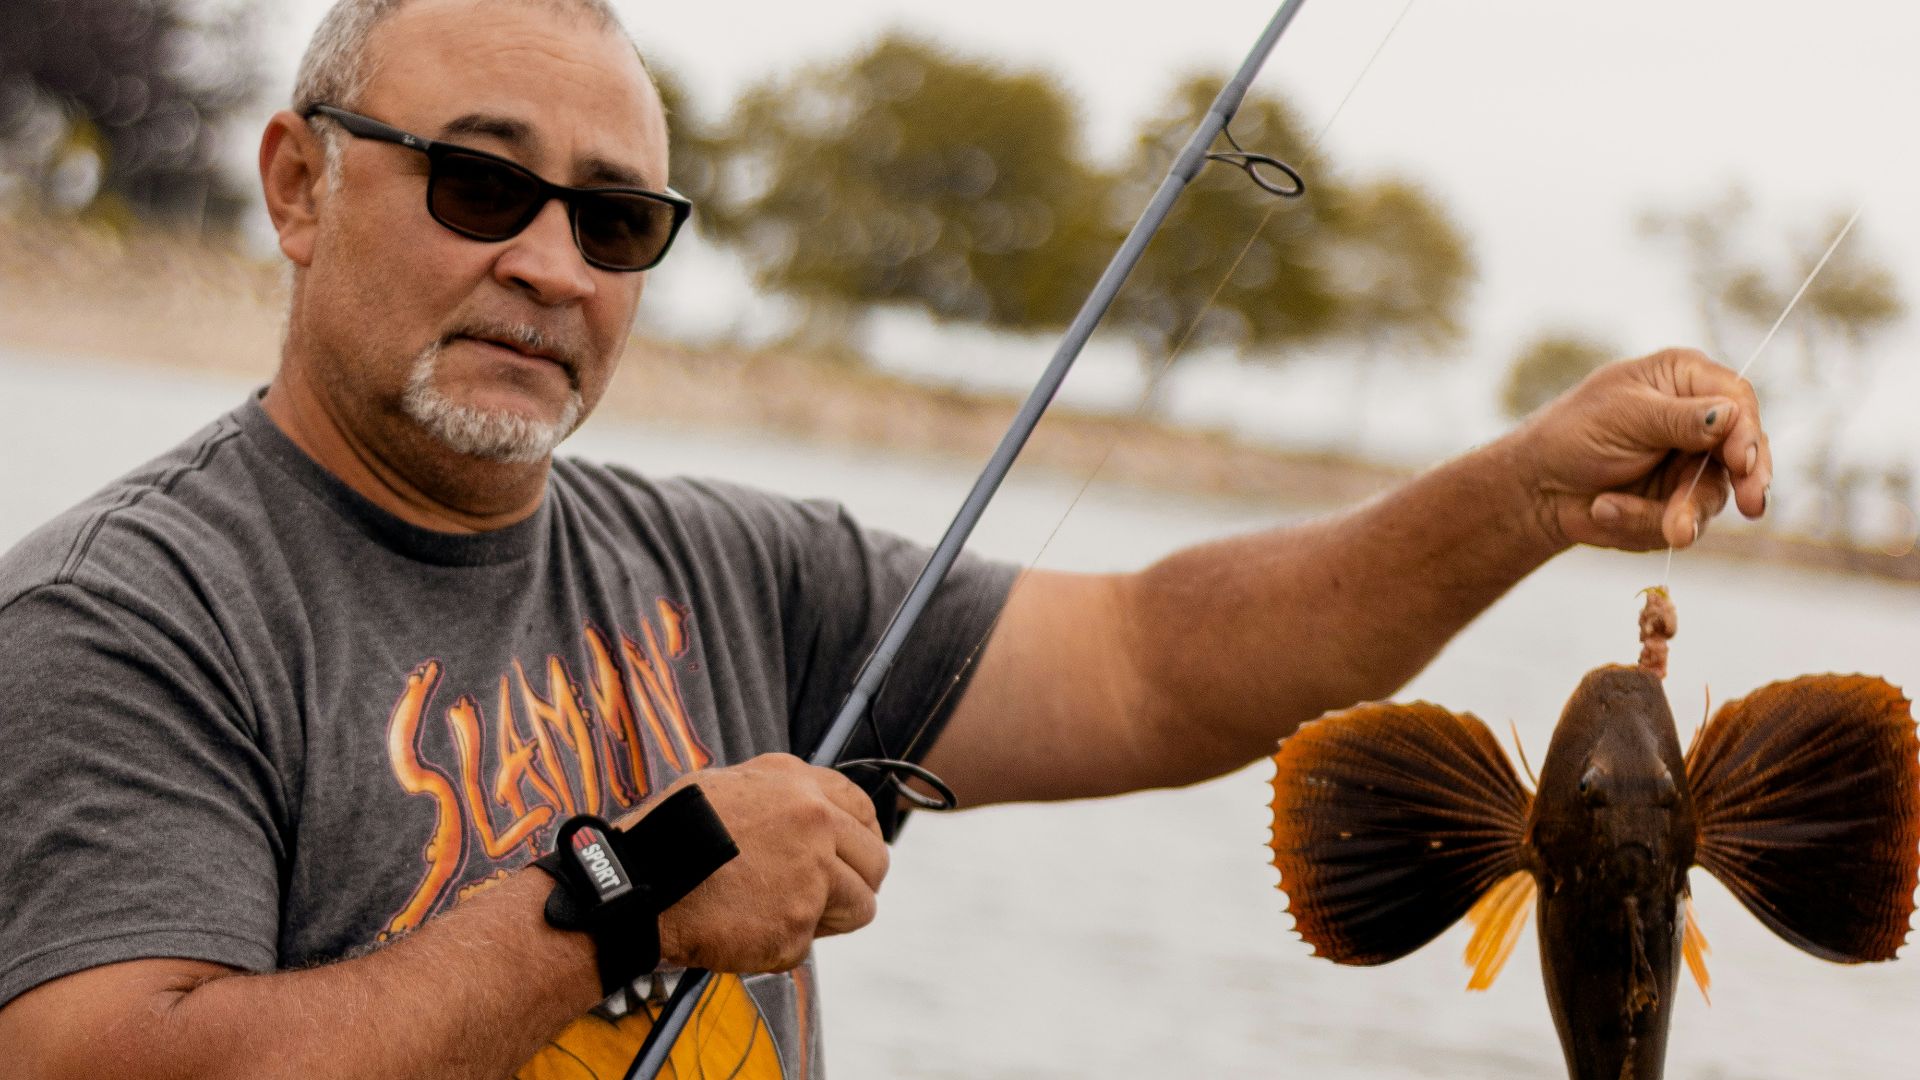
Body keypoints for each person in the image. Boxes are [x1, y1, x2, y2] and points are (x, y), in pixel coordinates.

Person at [0, 0, 1772, 1076]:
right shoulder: (132, 618)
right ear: (301, 184)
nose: (550, 262)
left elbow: (1162, 666)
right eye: (480, 183)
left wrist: (1531, 492)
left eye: (618, 220)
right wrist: (627, 897)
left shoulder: (730, 574)